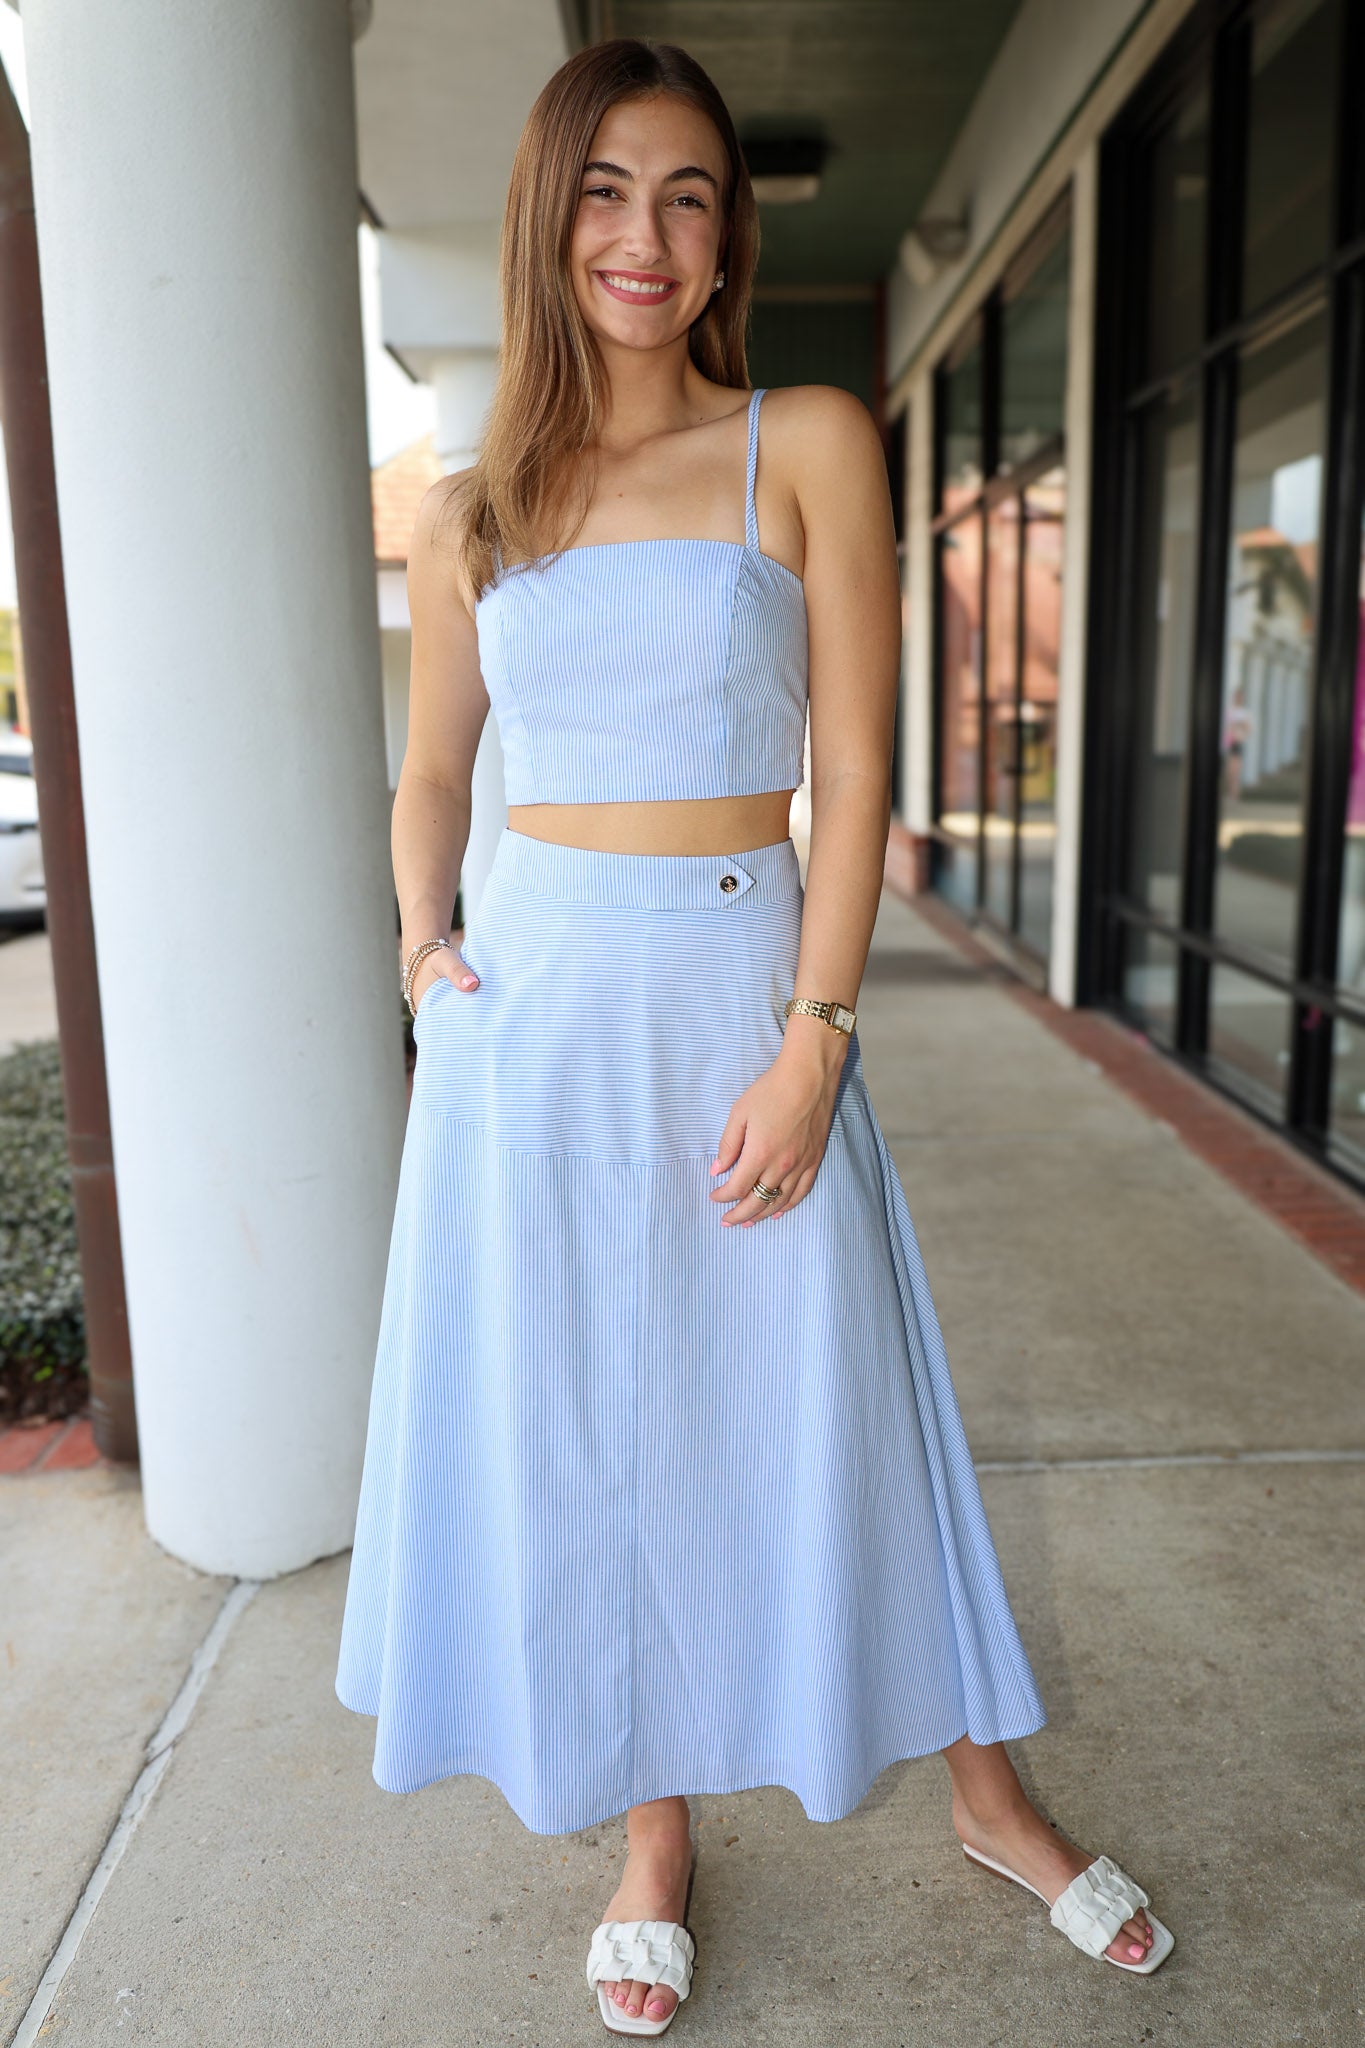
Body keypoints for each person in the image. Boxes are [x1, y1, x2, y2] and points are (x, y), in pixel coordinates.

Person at [335, 36, 1174, 2035]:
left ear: (726, 236)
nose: (647, 234)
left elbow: (860, 760)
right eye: (607, 191)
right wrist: (419, 950)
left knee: (835, 1391)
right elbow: (431, 768)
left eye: (688, 192)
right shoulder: (476, 510)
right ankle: (653, 1835)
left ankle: (984, 1790)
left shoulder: (798, 437)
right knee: (593, 1421)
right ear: (554, 221)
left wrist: (817, 1034)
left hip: (735, 983)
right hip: (529, 1016)